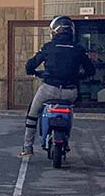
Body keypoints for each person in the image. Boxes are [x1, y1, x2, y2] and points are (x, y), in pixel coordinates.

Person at [20, 16, 95, 157]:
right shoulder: (78, 49)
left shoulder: (48, 47)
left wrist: (34, 72)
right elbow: (90, 70)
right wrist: (78, 76)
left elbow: (30, 65)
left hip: (49, 89)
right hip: (70, 92)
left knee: (32, 114)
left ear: (54, 31)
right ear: (71, 31)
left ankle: (27, 147)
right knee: (70, 113)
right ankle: (65, 138)